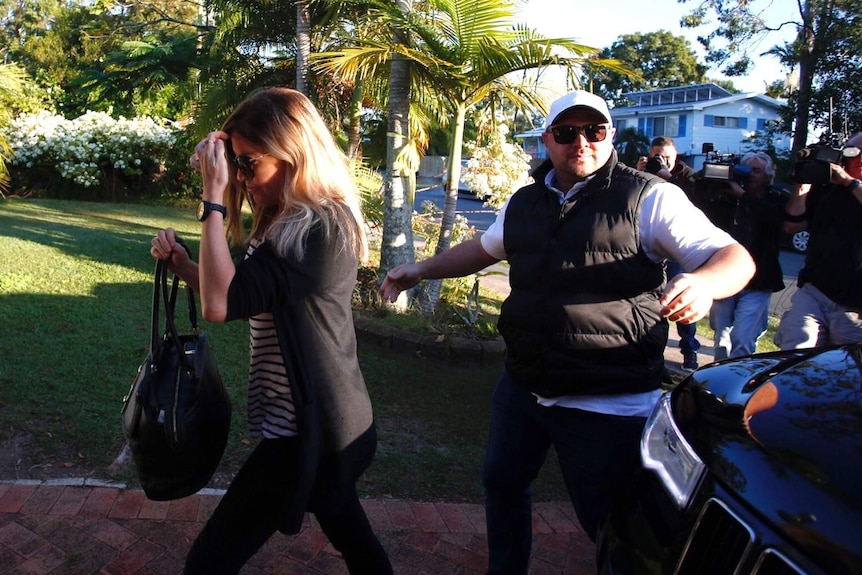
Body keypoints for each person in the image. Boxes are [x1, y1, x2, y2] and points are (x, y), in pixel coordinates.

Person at [380, 90, 754, 573]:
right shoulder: (526, 202)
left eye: (594, 131)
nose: (581, 142)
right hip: (525, 385)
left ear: (610, 136)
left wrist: (704, 281)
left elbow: (734, 257)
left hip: (606, 398)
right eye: (566, 132)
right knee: (503, 483)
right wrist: (421, 270)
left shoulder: (650, 197)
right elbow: (484, 249)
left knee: (610, 522)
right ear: (547, 142)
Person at [150, 87, 392, 575]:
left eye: (248, 162)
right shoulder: (288, 218)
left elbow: (219, 307)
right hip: (320, 424)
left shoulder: (317, 228)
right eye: (234, 162)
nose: (240, 175)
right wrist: (183, 266)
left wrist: (213, 200)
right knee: (352, 534)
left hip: (314, 433)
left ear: (292, 153)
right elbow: (239, 294)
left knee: (209, 561)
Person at [774, 132, 862, 348]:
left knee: (849, 370)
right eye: (852, 154)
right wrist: (802, 187)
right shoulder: (828, 191)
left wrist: (850, 183)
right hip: (816, 291)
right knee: (796, 352)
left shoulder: (850, 186)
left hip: (855, 305)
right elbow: (792, 225)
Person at [695, 151, 786, 359]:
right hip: (725, 273)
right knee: (721, 334)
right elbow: (700, 206)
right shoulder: (725, 195)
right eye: (748, 169)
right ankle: (718, 377)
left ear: (768, 176)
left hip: (759, 279)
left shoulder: (776, 197)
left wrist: (743, 196)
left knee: (743, 337)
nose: (752, 175)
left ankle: (740, 379)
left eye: (758, 171)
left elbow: (774, 219)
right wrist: (711, 181)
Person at [637, 136, 701, 371]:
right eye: (657, 157)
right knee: (653, 307)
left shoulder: (689, 176)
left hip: (677, 253)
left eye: (666, 157)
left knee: (681, 305)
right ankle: (656, 356)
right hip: (651, 252)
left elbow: (696, 204)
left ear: (676, 156)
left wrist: (667, 178)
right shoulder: (644, 173)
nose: (661, 161)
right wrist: (640, 173)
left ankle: (690, 351)